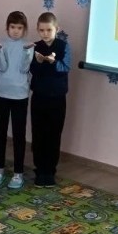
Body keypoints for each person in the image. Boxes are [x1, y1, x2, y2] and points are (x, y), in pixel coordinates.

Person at [0, 11, 33, 189]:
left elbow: (24, 69)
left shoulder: (28, 45)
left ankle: (18, 172)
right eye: (12, 27)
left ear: (24, 29)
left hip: (20, 95)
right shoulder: (1, 44)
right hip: (1, 92)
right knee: (0, 132)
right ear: (7, 28)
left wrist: (27, 52)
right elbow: (1, 67)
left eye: (19, 28)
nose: (15, 31)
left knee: (19, 134)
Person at [30, 12, 71, 187]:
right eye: (42, 30)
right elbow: (32, 70)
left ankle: (50, 171)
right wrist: (39, 62)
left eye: (49, 30)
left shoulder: (63, 46)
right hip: (39, 97)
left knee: (53, 134)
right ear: (37, 30)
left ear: (57, 29)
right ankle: (39, 170)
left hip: (57, 98)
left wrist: (53, 62)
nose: (45, 33)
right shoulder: (35, 47)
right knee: (38, 134)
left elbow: (66, 67)